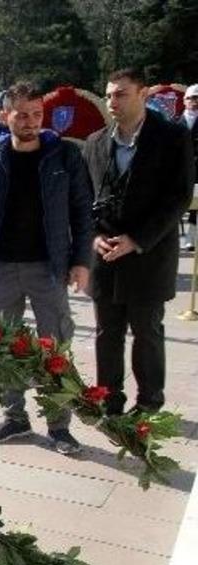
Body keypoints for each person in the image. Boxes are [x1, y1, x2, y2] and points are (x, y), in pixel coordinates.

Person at [0, 82, 93, 455]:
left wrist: (81, 261)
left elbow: (82, 211)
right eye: (21, 114)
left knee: (54, 347)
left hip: (48, 267)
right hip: (2, 267)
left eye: (37, 114)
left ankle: (59, 426)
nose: (31, 121)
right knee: (3, 348)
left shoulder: (64, 155)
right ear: (4, 116)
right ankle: (15, 417)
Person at [83, 68, 195, 415]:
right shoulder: (95, 142)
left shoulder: (172, 138)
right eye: (108, 95)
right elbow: (82, 198)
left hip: (149, 255)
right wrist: (94, 237)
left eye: (121, 94)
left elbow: (177, 199)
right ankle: (109, 399)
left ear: (143, 94)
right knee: (107, 334)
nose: (112, 102)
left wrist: (137, 239)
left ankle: (149, 402)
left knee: (147, 333)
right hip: (106, 258)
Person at [180, 84, 198, 252]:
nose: (194, 102)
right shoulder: (175, 124)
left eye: (197, 98)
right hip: (179, 173)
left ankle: (190, 239)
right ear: (184, 101)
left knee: (195, 210)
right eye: (191, 98)